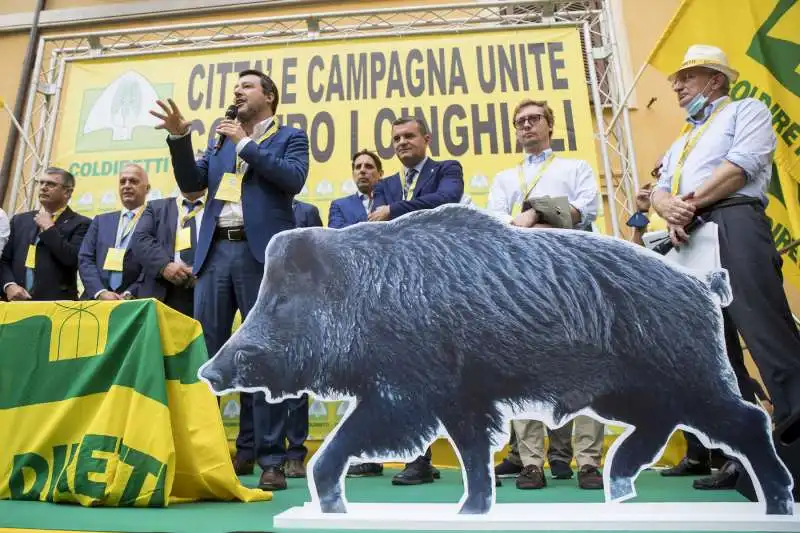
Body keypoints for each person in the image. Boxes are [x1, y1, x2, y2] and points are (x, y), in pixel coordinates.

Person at [150, 68, 310, 491]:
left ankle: (272, 459)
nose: (237, 91)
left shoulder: (289, 137)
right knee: (211, 357)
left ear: (269, 96)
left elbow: (293, 179)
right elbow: (191, 183)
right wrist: (180, 139)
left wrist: (246, 143)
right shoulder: (219, 138)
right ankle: (212, 451)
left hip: (262, 257)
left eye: (246, 86)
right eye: (235, 87)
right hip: (215, 253)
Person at [650, 44, 800, 489]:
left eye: (686, 77)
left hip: (733, 220)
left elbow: (740, 168)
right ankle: (743, 459)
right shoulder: (681, 141)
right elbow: (658, 189)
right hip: (689, 238)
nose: (676, 86)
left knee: (766, 334)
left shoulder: (746, 111)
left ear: (715, 79)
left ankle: (797, 442)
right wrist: (668, 207)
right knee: (717, 352)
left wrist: (684, 207)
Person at [486, 98, 604, 491]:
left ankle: (588, 461)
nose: (526, 126)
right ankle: (531, 462)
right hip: (523, 282)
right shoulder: (505, 177)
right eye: (519, 121)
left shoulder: (576, 167)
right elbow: (496, 222)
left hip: (572, 277)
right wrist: (544, 219)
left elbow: (585, 211)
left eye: (534, 119)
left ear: (550, 125)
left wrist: (535, 215)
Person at [367, 116, 464, 486]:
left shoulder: (446, 169)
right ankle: (418, 457)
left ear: (426, 137)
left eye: (409, 136)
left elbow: (446, 201)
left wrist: (395, 210)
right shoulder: (385, 183)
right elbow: (375, 227)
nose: (402, 142)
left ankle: (475, 456)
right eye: (396, 138)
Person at [1, 167, 90, 301]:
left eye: (51, 184)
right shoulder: (20, 220)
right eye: (41, 183)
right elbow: (4, 260)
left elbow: (72, 259)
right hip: (16, 302)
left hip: (57, 305)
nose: (43, 187)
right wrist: (9, 285)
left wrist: (49, 229)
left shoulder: (82, 223)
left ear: (67, 192)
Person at [78, 164, 151, 301]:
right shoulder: (101, 221)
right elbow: (85, 258)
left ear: (147, 188)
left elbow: (153, 265)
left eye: (133, 181)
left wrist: (131, 292)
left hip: (135, 302)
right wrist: (100, 292)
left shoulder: (155, 221)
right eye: (123, 181)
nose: (127, 185)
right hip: (95, 301)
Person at [130, 189, 207, 316]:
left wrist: (203, 272)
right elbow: (140, 239)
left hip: (204, 291)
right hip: (162, 289)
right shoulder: (155, 207)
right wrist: (164, 265)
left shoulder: (216, 208)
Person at [328, 149, 383, 229]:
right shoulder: (339, 205)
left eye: (368, 166)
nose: (362, 170)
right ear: (353, 175)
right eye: (358, 167)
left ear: (380, 174)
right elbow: (336, 235)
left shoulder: (391, 201)